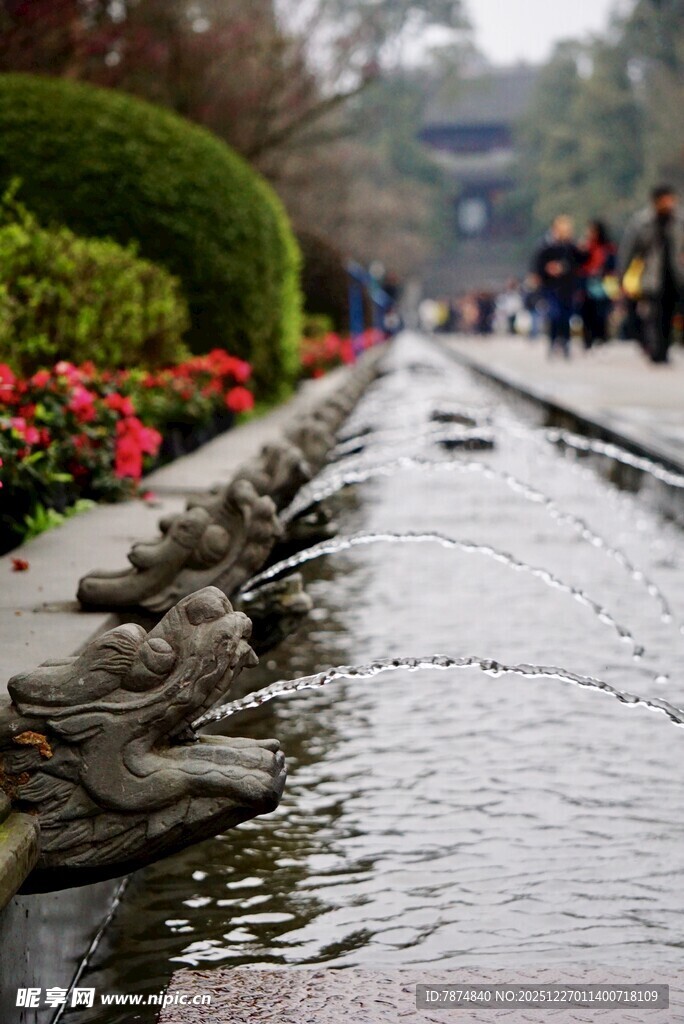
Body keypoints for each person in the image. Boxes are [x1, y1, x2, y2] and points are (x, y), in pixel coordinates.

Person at [618, 185, 684, 364]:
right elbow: (627, 251)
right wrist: (621, 277)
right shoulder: (642, 222)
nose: (669, 203)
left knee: (671, 315)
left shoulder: (679, 220)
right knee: (654, 315)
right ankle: (657, 351)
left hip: (676, 275)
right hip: (651, 276)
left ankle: (665, 348)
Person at [532, 215, 584, 358]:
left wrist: (565, 267)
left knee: (566, 316)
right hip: (551, 287)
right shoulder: (546, 246)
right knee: (554, 314)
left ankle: (566, 342)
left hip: (568, 287)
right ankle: (553, 341)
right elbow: (538, 266)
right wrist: (548, 269)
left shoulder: (571, 247)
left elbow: (580, 263)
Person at [580, 220, 617, 350]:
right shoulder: (585, 246)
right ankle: (587, 340)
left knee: (601, 313)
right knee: (586, 312)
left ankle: (601, 338)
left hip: (603, 284)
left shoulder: (608, 248)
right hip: (587, 283)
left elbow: (613, 265)